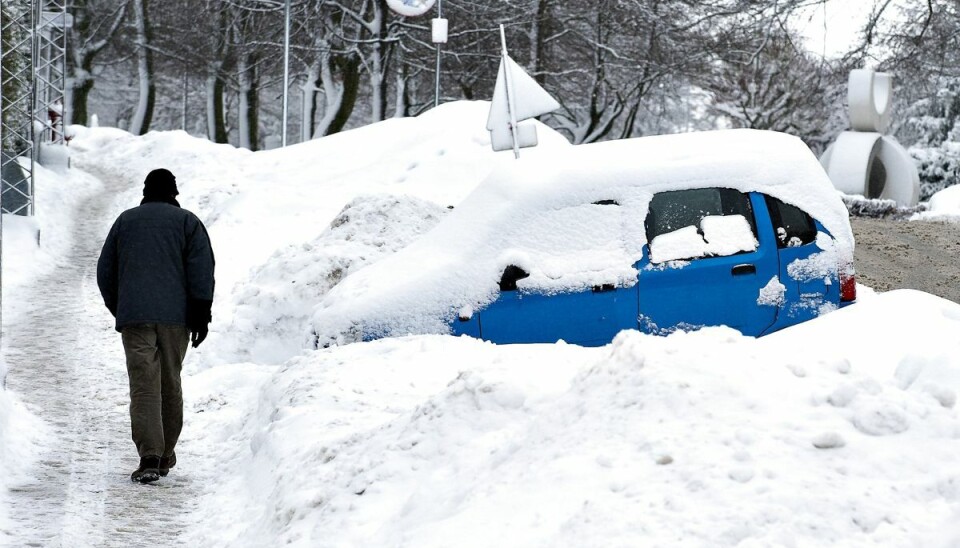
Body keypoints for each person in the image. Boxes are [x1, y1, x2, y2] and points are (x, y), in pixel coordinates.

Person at [97, 168, 215, 484]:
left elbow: (105, 271)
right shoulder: (188, 222)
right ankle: (164, 455)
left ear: (146, 191)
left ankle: (149, 455)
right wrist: (201, 313)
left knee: (143, 384)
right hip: (177, 320)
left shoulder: (125, 221)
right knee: (169, 381)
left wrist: (121, 307)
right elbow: (202, 269)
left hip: (136, 317)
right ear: (174, 192)